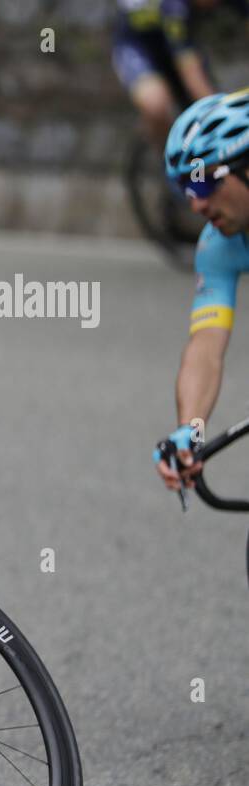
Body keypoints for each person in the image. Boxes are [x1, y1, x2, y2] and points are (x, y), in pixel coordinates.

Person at [154, 89, 249, 489]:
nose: (196, 204)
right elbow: (206, 347)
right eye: (187, 190)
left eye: (205, 184)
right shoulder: (218, 244)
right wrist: (189, 433)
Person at [111, 0, 249, 145]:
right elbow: (190, 70)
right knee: (156, 105)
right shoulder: (174, 7)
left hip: (177, 44)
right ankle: (166, 158)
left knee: (201, 109)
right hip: (139, 49)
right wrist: (222, 116)